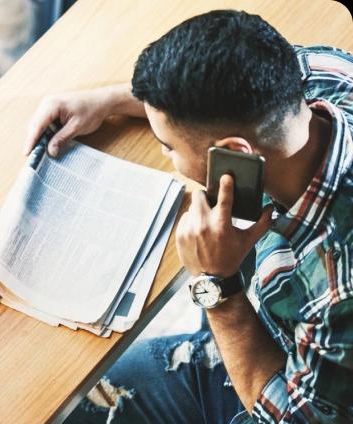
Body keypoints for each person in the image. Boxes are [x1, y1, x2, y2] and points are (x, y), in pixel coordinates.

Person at [24, 10, 353, 424]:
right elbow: (225, 87)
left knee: (94, 398)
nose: (164, 152)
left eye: (168, 144)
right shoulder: (329, 75)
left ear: (235, 152)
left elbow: (294, 417)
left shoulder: (340, 293)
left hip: (296, 378)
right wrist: (105, 101)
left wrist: (216, 287)